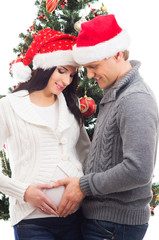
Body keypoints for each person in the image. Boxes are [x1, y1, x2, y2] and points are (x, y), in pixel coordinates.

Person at [53, 14, 159, 240]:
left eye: (93, 66)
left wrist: (83, 186)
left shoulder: (134, 98)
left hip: (113, 226)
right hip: (104, 223)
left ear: (117, 54)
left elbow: (138, 169)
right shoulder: (115, 94)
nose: (89, 75)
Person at [0, 28, 90, 240]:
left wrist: (83, 188)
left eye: (72, 74)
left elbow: (87, 154)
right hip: (31, 222)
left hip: (75, 217)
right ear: (45, 66)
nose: (67, 81)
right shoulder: (9, 106)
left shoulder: (72, 104)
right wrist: (23, 192)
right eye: (61, 70)